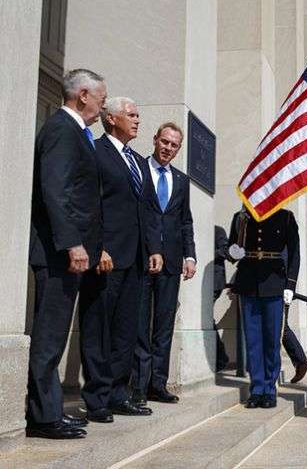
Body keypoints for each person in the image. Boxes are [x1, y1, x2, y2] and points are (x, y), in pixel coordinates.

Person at [27, 69, 109, 439]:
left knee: (56, 336)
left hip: (69, 253)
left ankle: (49, 408)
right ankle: (43, 417)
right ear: (83, 95)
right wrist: (73, 243)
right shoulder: (62, 128)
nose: (104, 104)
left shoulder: (79, 132)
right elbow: (55, 191)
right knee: (49, 336)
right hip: (58, 254)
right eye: (101, 98)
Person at [78, 97, 163, 423]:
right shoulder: (96, 152)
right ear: (111, 118)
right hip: (106, 258)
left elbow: (148, 209)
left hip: (136, 260)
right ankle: (96, 398)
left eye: (139, 114)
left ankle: (117, 393)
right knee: (98, 329)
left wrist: (153, 248)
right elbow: (90, 205)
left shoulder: (138, 162)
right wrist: (96, 247)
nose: (138, 120)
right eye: (132, 115)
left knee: (126, 331)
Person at [131, 123, 196, 405]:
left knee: (164, 325)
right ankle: (138, 386)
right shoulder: (138, 168)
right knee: (139, 323)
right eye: (165, 142)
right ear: (155, 139)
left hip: (171, 262)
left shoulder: (181, 180)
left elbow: (185, 221)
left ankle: (158, 383)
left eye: (174, 145)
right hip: (142, 258)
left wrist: (190, 256)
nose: (168, 148)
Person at [228, 205, 300, 409]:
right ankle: (256, 388)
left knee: (271, 340)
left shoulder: (285, 217)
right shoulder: (241, 217)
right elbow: (233, 250)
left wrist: (290, 284)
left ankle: (269, 389)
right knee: (252, 340)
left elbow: (294, 252)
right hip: (248, 282)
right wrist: (232, 250)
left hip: (274, 282)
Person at [213, 225, 230, 371]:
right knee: (207, 320)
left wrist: (208, 253)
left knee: (206, 319)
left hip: (215, 282)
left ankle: (220, 357)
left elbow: (226, 250)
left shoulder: (218, 230)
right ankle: (221, 357)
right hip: (201, 281)